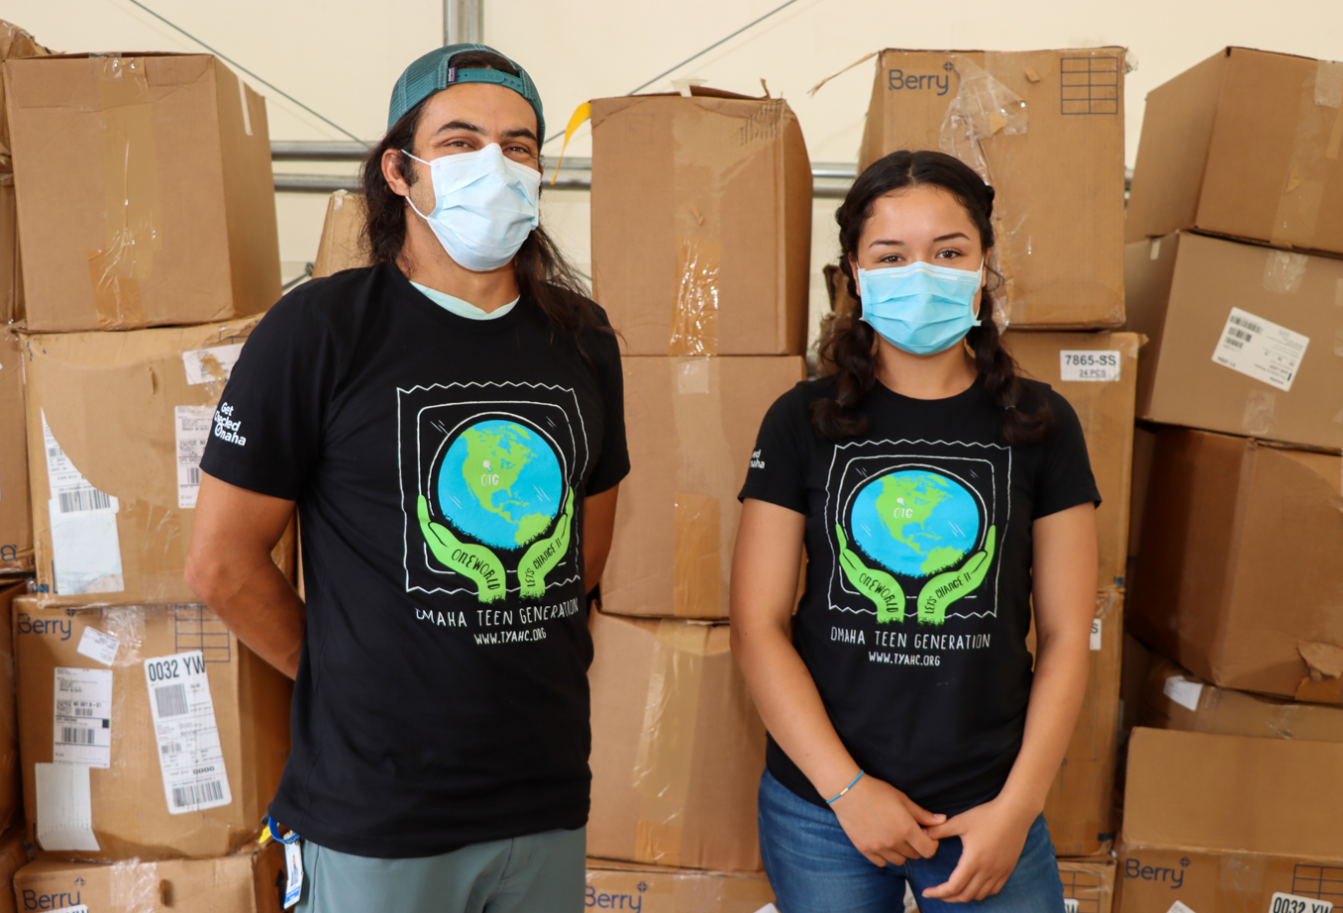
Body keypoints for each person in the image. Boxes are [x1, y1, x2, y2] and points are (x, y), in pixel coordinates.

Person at [185, 43, 629, 913]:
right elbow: (222, 564)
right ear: (399, 169)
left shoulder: (583, 338)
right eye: (460, 142)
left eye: (521, 145)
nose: (495, 165)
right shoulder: (319, 329)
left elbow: (585, 553)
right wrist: (344, 673)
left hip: (542, 799)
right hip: (376, 814)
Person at [730, 149, 1098, 912]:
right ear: (855, 276)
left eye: (949, 251)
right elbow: (757, 625)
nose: (921, 272)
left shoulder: (1042, 423)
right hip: (824, 809)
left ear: (985, 264)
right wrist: (849, 790)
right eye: (891, 255)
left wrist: (1018, 807)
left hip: (988, 805)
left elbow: (1067, 635)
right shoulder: (801, 420)